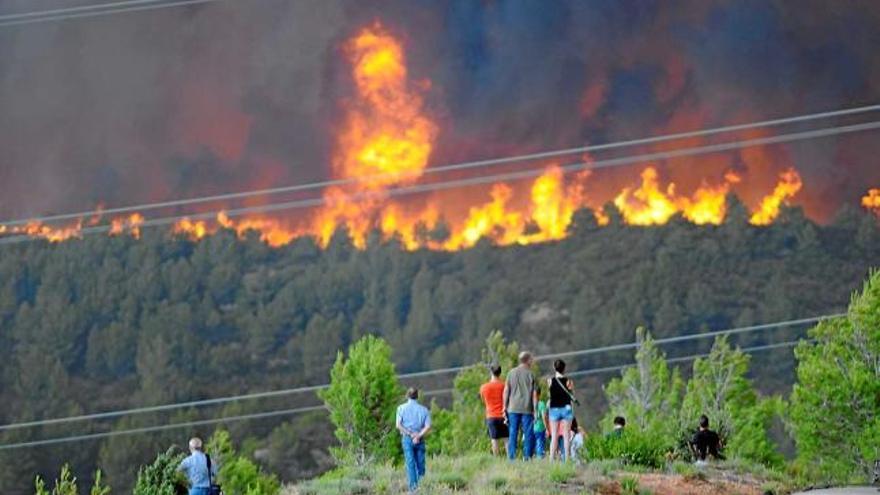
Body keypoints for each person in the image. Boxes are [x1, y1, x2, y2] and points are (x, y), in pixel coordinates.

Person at [503, 351, 537, 460]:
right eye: (531, 359)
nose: (532, 361)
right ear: (528, 360)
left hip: (512, 408)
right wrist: (535, 410)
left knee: (513, 433)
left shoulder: (511, 373)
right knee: (528, 434)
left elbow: (506, 391)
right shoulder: (531, 374)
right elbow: (534, 394)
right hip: (527, 408)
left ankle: (511, 458)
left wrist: (505, 406)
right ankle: (527, 457)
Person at [396, 387, 432, 492]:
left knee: (410, 463)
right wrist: (418, 436)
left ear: (407, 396)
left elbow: (398, 425)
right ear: (417, 396)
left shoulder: (401, 408)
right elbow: (428, 426)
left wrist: (410, 434)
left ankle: (413, 490)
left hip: (407, 438)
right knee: (421, 464)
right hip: (419, 439)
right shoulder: (424, 410)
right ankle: (422, 486)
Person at [547, 359, 575, 462]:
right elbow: (572, 395)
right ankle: (567, 460)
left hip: (554, 409)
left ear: (555, 368)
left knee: (554, 435)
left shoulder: (549, 381)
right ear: (564, 369)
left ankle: (551, 460)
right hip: (566, 408)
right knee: (566, 435)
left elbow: (550, 395)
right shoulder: (569, 382)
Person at [479, 365, 508, 456]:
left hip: (491, 415)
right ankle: (510, 459)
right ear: (500, 373)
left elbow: (483, 400)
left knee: (494, 439)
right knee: (506, 439)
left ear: (491, 373)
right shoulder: (504, 386)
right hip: (503, 415)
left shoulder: (484, 387)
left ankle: (497, 458)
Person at [532, 384, 548, 458]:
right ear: (539, 394)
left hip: (531, 428)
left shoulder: (529, 404)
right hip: (540, 428)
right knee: (540, 445)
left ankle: (531, 458)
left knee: (532, 445)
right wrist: (547, 428)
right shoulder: (541, 404)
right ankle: (539, 459)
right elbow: (544, 417)